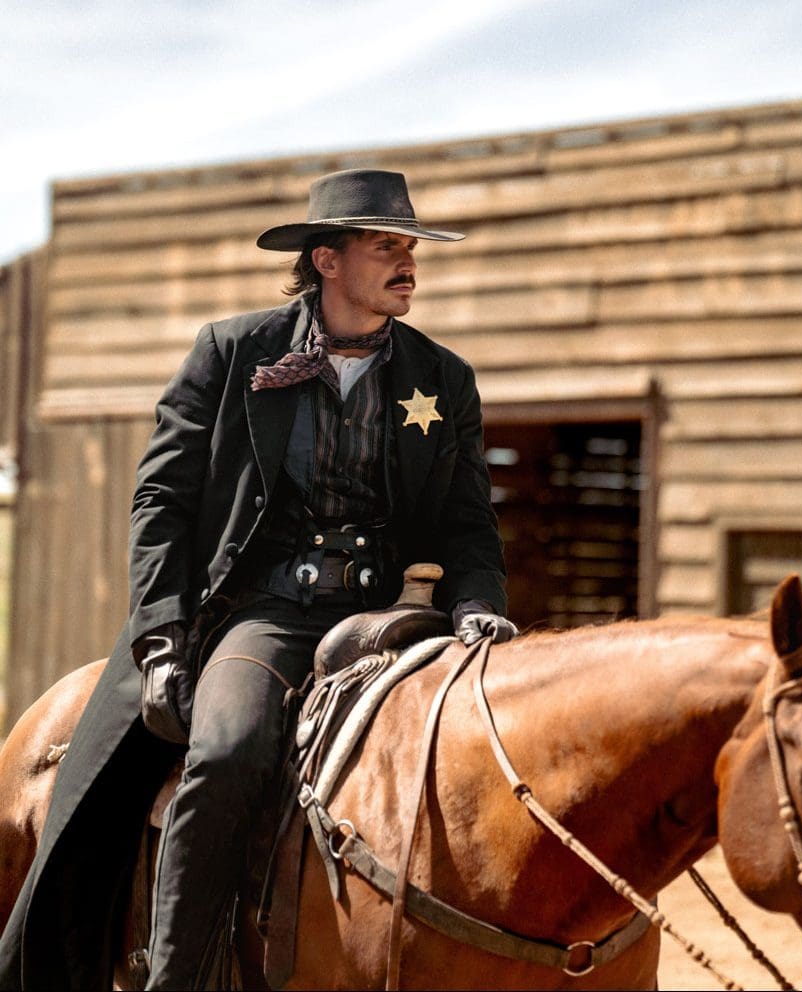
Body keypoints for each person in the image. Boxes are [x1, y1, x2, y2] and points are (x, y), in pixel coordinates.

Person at [0, 168, 516, 991]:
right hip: (268, 612)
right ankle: (177, 977)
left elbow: (466, 522)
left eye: (411, 247)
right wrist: (163, 635)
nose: (407, 260)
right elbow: (161, 499)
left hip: (391, 618)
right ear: (326, 260)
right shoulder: (232, 351)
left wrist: (480, 605)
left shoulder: (442, 377)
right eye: (386, 245)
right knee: (231, 750)